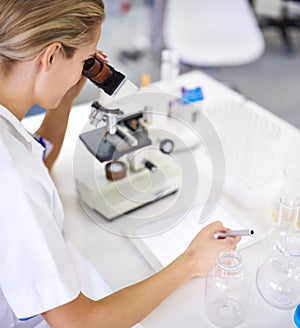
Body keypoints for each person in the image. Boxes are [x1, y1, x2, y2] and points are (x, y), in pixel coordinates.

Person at [0, 1, 240, 327]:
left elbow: (41, 158)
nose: (87, 69)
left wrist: (65, 97)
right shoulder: (15, 176)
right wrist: (191, 262)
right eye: (86, 60)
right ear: (52, 55)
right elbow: (79, 323)